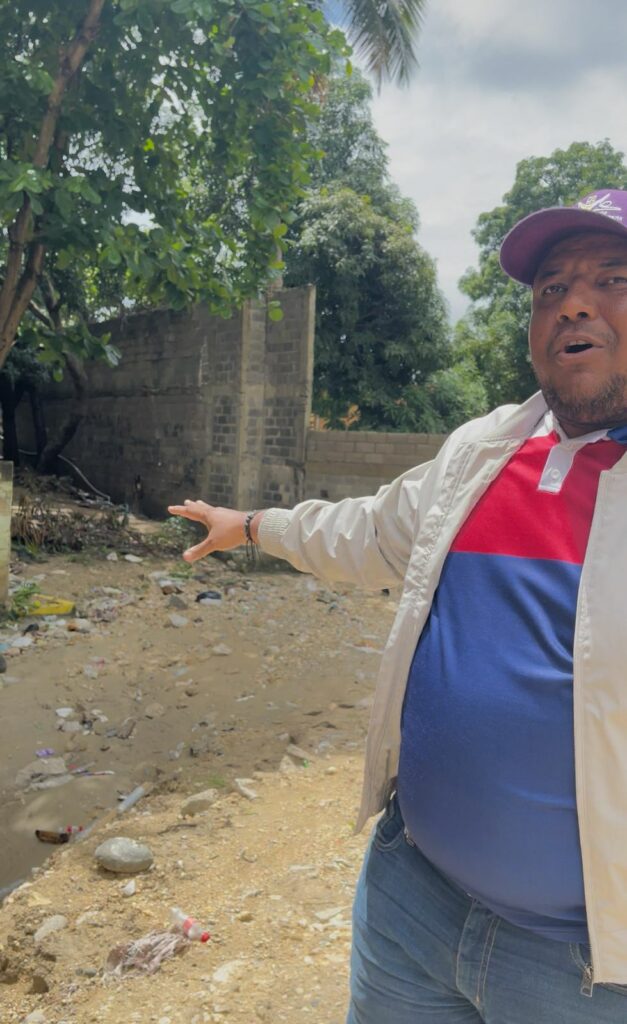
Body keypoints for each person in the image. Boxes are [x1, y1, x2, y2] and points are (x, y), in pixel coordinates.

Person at [168, 189, 627, 1023]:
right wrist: (253, 526)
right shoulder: (480, 452)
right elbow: (369, 532)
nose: (572, 304)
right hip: (409, 903)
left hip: (584, 970)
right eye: (550, 288)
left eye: (612, 279)